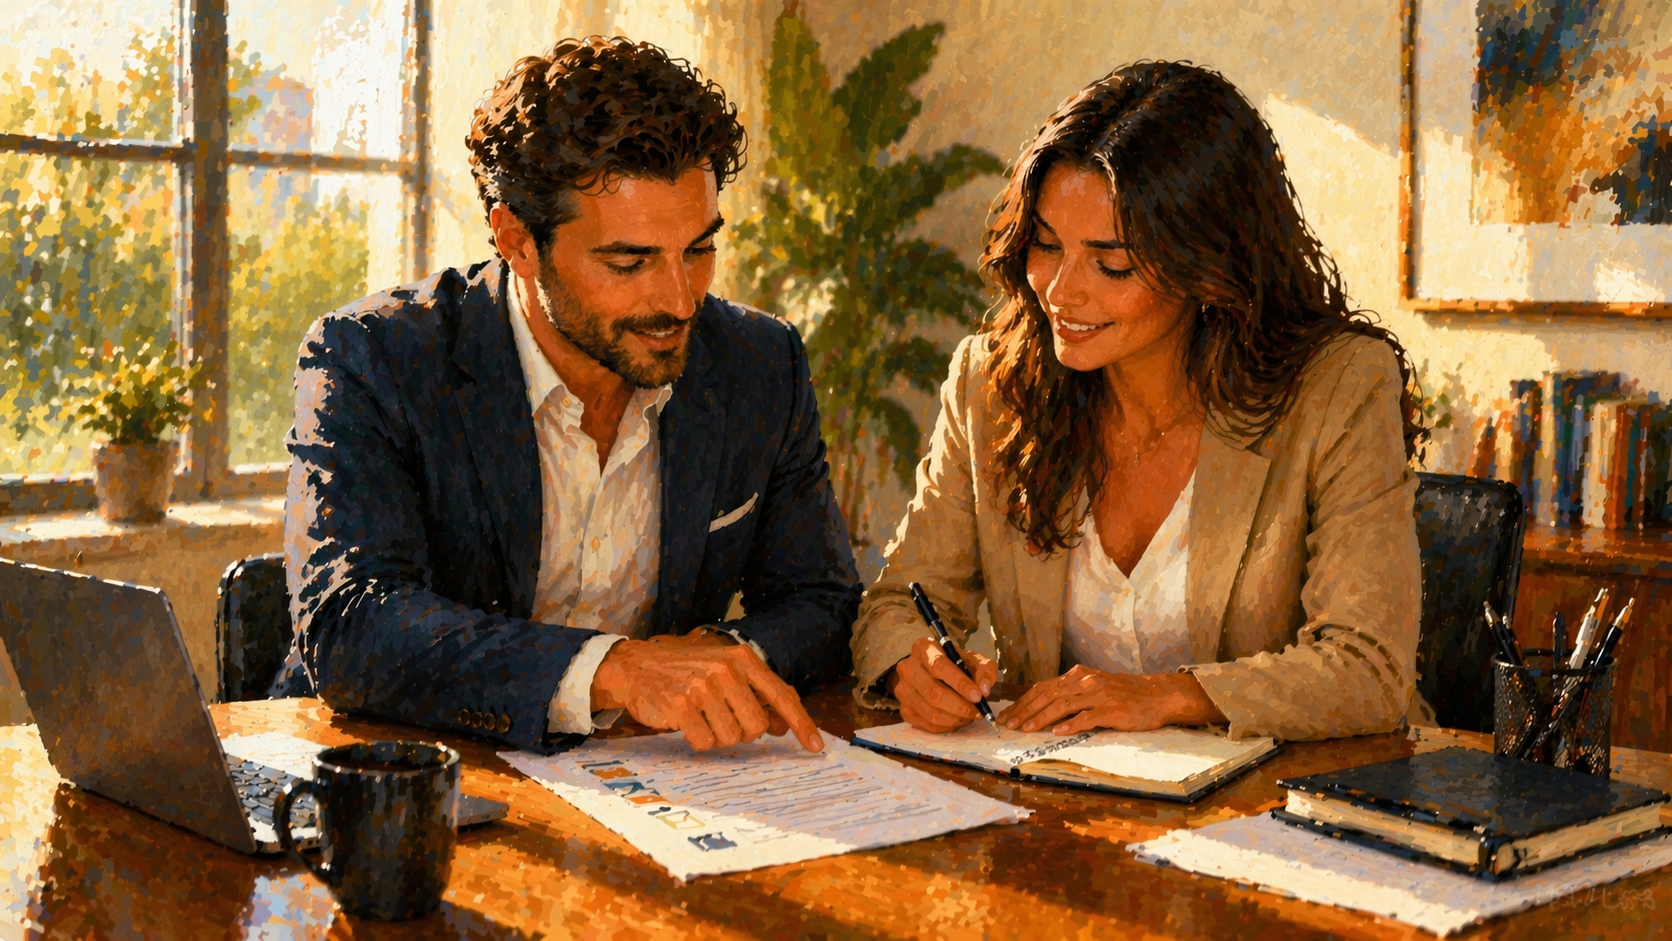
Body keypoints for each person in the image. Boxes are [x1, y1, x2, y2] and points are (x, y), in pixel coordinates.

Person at [280, 37, 861, 756]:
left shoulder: (759, 364)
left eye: (699, 248)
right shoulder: (375, 356)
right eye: (629, 261)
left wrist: (706, 662)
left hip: (655, 789)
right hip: (397, 784)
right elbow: (351, 625)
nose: (680, 300)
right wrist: (613, 670)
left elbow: (824, 601)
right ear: (516, 240)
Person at [850, 61, 1425, 743]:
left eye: (1111, 263)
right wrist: (912, 665)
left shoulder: (1338, 388)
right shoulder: (992, 386)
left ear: (1208, 263)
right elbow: (895, 604)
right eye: (1046, 244)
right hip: (1069, 813)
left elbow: (1366, 669)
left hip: (1286, 813)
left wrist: (1162, 696)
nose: (1061, 291)